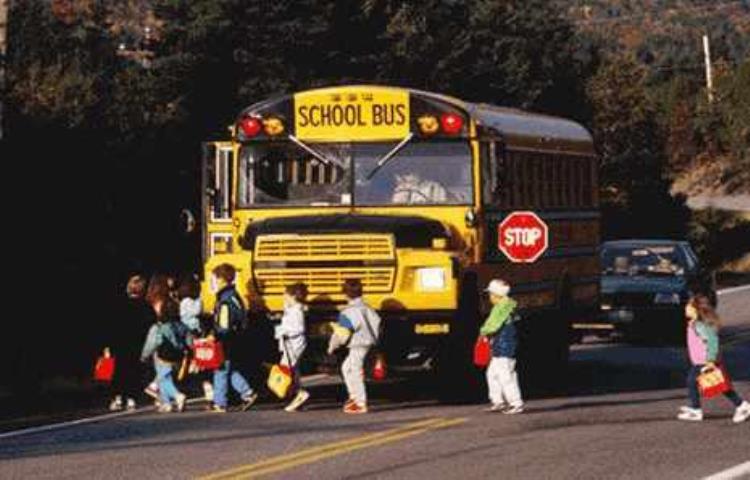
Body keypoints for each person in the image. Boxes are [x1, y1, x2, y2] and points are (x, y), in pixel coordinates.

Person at [678, 293, 750, 423]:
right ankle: (741, 405)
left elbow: (712, 341)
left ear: (696, 309)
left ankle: (696, 410)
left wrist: (710, 360)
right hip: (701, 360)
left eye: (689, 307)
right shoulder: (694, 323)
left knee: (697, 382)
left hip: (705, 361)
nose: (686, 308)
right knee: (718, 385)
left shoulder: (700, 325)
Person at [327, 278, 382, 414]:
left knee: (354, 370)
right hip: (369, 342)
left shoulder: (348, 312)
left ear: (345, 294)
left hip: (358, 344)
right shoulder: (368, 309)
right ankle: (353, 397)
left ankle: (360, 402)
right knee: (346, 367)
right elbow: (378, 324)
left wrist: (332, 346)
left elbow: (343, 333)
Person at [210, 263, 258, 413]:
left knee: (221, 370)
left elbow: (224, 326)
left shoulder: (224, 300)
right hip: (237, 338)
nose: (215, 282)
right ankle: (248, 393)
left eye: (216, 278)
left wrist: (215, 336)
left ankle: (220, 403)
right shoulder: (236, 296)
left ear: (222, 279)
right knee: (231, 370)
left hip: (226, 340)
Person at [105, 275, 154, 411]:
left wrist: (108, 344)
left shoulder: (118, 304)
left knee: (118, 371)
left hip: (119, 342)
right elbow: (151, 325)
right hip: (138, 343)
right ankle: (132, 398)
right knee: (134, 370)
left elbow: (110, 325)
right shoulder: (146, 306)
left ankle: (118, 397)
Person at [479, 279, 524, 414]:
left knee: (506, 376)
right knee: (492, 374)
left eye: (490, 295)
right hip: (500, 347)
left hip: (505, 347)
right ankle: (498, 401)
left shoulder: (503, 308)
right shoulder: (506, 306)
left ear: (495, 295)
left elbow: (494, 325)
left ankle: (515, 403)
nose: (489, 297)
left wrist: (483, 331)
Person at [140, 294, 189, 413]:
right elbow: (189, 340)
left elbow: (152, 344)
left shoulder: (158, 327)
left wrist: (144, 356)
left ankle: (177, 395)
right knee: (166, 378)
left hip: (163, 357)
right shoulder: (182, 326)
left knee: (163, 379)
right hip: (178, 357)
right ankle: (166, 403)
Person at [177, 275, 213, 402]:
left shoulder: (183, 302)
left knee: (194, 362)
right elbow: (198, 310)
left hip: (190, 334)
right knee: (201, 362)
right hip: (194, 333)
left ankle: (204, 388)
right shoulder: (192, 301)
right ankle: (207, 389)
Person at [275, 283, 311, 412]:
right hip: (290, 344)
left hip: (294, 344)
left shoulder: (297, 311)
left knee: (286, 371)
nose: (284, 296)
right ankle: (297, 399)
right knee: (293, 371)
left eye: (286, 294)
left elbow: (299, 328)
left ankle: (300, 393)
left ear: (294, 296)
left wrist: (284, 331)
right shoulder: (292, 308)